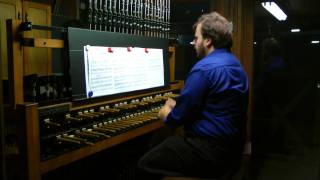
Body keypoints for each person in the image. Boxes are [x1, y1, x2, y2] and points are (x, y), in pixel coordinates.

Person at [138, 12, 249, 179]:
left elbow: (177, 118)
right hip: (233, 148)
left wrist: (166, 113)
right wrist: (181, 105)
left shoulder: (204, 69)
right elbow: (215, 104)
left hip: (209, 151)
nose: (194, 43)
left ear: (208, 40)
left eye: (196, 38)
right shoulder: (235, 65)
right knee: (159, 144)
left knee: (145, 164)